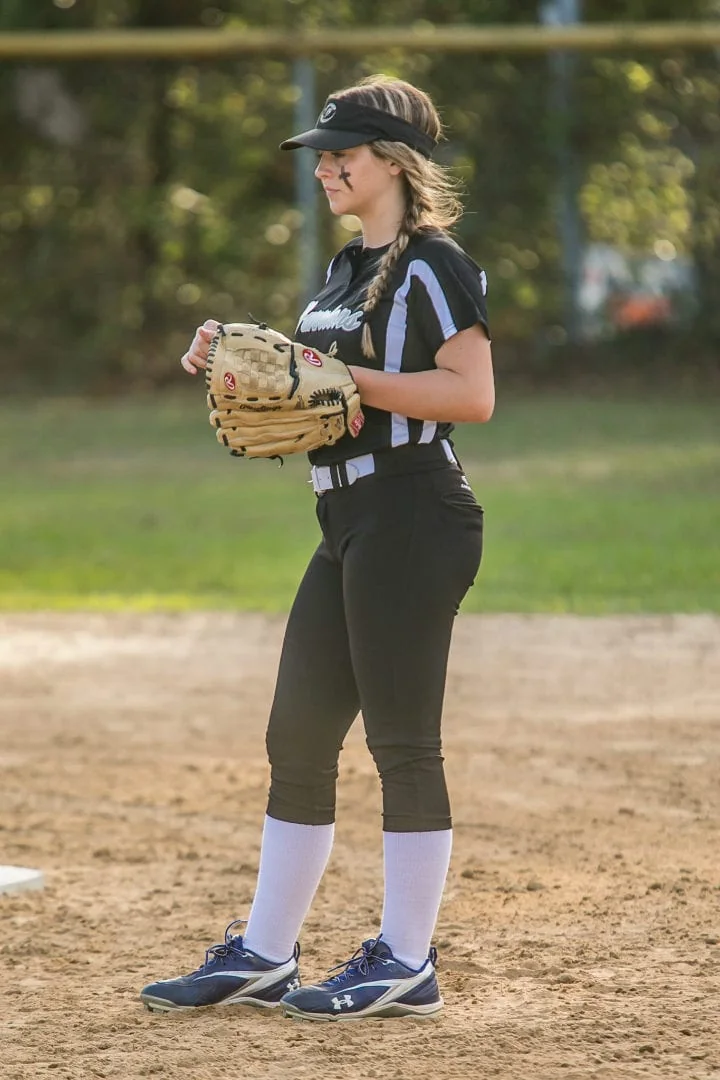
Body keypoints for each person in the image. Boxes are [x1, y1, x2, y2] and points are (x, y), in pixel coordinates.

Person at [140, 74, 494, 1022]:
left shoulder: (434, 264)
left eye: (346, 151)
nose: (327, 165)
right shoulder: (345, 272)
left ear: (396, 163)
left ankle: (407, 962)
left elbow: (470, 396)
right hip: (345, 519)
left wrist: (351, 379)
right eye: (323, 153)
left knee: (402, 744)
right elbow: (319, 398)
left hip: (416, 514)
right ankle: (263, 951)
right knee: (295, 737)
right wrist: (235, 358)